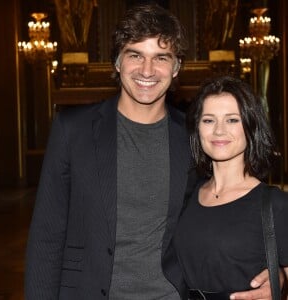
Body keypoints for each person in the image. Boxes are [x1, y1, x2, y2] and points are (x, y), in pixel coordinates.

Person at [25, 4, 274, 300]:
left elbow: (238, 210)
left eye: (161, 58)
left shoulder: (197, 136)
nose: (147, 70)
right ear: (117, 62)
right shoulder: (73, 130)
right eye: (135, 55)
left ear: (176, 67)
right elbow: (46, 236)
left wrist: (279, 270)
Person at [163, 75, 288, 299]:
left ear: (250, 127)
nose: (219, 131)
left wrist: (282, 282)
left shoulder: (276, 204)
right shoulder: (185, 195)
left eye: (232, 120)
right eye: (209, 120)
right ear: (197, 129)